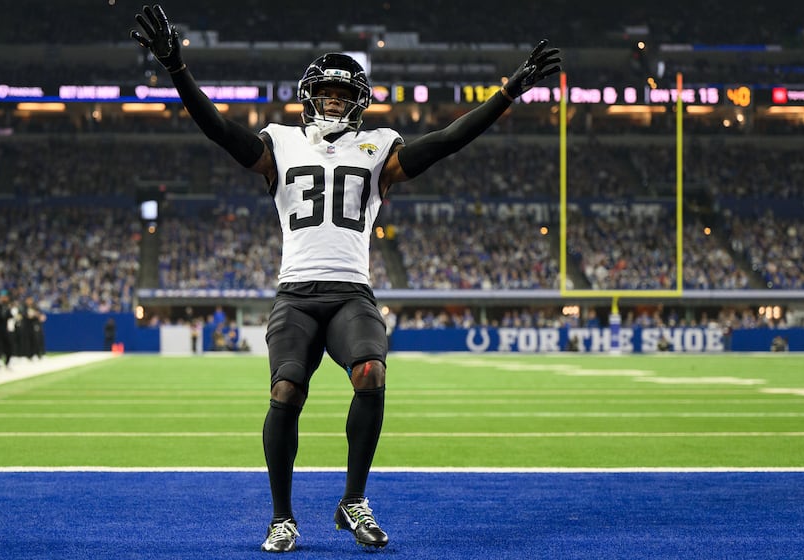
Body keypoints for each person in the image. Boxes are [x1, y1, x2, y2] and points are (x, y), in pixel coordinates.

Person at [131, 5, 559, 553]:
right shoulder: (279, 143)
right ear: (311, 95)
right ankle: (282, 516)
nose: (335, 99)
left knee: (372, 375)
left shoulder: (379, 145)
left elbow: (447, 140)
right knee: (285, 389)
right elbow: (220, 131)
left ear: (358, 100)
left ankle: (352, 499)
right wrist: (177, 69)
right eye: (328, 91)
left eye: (344, 92)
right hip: (296, 295)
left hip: (351, 292)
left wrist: (507, 92)